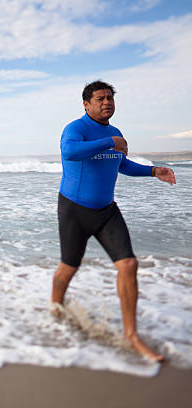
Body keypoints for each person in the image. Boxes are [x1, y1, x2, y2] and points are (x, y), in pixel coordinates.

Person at [51, 80, 176, 362]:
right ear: (86, 104)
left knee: (129, 264)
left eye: (110, 98)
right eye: (100, 99)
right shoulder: (76, 129)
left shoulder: (116, 133)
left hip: (106, 210)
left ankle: (132, 335)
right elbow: (70, 152)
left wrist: (153, 170)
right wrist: (109, 142)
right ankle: (55, 307)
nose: (107, 102)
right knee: (69, 268)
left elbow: (120, 165)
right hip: (74, 210)